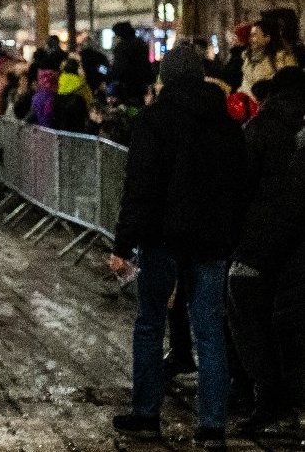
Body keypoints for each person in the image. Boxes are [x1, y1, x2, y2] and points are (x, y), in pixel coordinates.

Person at [109, 44, 247, 444]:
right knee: (209, 330)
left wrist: (123, 242)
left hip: (162, 239)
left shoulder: (156, 121)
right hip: (210, 242)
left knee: (151, 322)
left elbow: (140, 186)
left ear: (165, 77)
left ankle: (147, 413)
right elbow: (238, 187)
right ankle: (212, 425)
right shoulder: (225, 124)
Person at [227, 66, 305, 435]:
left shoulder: (259, 130)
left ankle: (267, 398)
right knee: (289, 324)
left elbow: (240, 190)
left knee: (249, 320)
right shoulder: (297, 133)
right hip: (295, 250)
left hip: (259, 244)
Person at [242, 17, 296, 98]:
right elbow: (245, 85)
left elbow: (288, 88)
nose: (250, 39)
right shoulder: (248, 58)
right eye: (251, 35)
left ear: (267, 38)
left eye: (255, 35)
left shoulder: (282, 59)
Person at [111, 22, 155, 114]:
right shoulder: (141, 43)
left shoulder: (122, 47)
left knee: (126, 112)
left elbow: (119, 69)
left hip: (127, 88)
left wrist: (110, 77)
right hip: (141, 86)